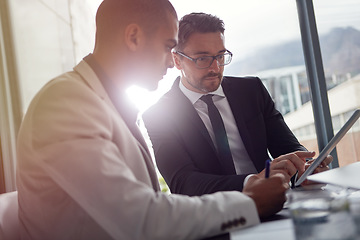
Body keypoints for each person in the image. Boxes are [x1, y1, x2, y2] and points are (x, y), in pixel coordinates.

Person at [16, 1, 290, 240]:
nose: (173, 63)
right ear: (134, 37)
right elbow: (140, 219)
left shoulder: (106, 101)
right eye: (168, 46)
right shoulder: (66, 103)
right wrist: (249, 203)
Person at [142, 12, 332, 196]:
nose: (215, 68)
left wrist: (305, 168)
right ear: (177, 60)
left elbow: (287, 146)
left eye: (220, 56)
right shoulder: (159, 116)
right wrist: (252, 181)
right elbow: (183, 183)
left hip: (277, 203)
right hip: (217, 217)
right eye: (202, 59)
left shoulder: (252, 90)